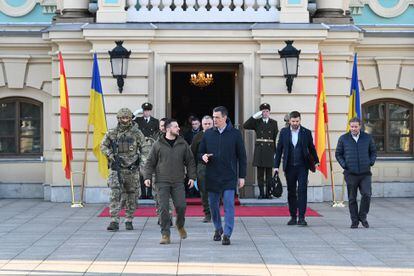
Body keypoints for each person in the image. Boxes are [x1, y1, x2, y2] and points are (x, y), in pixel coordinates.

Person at [199, 106, 247, 246]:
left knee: (229, 205)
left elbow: (242, 156)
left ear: (225, 118)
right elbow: (199, 153)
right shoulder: (208, 134)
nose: (214, 120)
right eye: (213, 117)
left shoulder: (235, 134)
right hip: (212, 176)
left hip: (229, 176)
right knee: (213, 205)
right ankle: (218, 228)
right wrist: (203, 156)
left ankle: (227, 233)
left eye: (217, 117)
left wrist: (242, 176)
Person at [144, 119, 196, 244]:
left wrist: (192, 177)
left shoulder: (182, 144)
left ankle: (180, 225)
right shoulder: (158, 144)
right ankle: (165, 234)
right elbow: (150, 162)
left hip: (178, 181)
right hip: (162, 181)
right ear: (168, 129)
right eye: (175, 126)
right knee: (164, 208)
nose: (178, 128)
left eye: (178, 126)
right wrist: (147, 177)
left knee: (181, 206)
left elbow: (190, 162)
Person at [101, 108, 146, 231]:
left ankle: (129, 219)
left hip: (132, 170)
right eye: (122, 118)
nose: (125, 120)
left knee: (132, 195)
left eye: (127, 118)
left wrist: (142, 163)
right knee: (115, 194)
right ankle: (114, 220)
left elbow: (145, 149)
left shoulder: (137, 133)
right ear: (119, 119)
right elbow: (103, 146)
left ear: (130, 119)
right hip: (117, 169)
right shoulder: (112, 133)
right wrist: (110, 155)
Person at [274, 111, 319, 226]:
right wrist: (275, 166)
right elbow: (279, 150)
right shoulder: (283, 132)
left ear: (300, 120)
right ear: (289, 121)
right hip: (289, 167)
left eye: (297, 121)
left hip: (302, 166)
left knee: (302, 191)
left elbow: (312, 148)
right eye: (293, 121)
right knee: (291, 192)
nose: (295, 123)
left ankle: (302, 218)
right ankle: (293, 216)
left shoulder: (306, 132)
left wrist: (316, 161)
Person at [335, 117, 377, 229]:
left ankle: (363, 217)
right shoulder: (343, 139)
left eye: (356, 126)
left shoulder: (367, 138)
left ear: (360, 126)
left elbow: (373, 152)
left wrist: (371, 162)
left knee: (367, 194)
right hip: (350, 173)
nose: (353, 128)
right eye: (352, 126)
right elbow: (338, 154)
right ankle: (354, 220)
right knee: (352, 198)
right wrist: (344, 165)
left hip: (365, 173)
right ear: (350, 126)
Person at [243, 103, 278, 199]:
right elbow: (245, 125)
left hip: (270, 150)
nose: (265, 113)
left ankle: (268, 193)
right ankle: (261, 193)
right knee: (260, 175)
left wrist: (275, 153)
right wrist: (255, 116)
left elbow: (275, 138)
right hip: (260, 150)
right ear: (260, 112)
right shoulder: (257, 122)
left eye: (267, 111)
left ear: (269, 112)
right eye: (263, 111)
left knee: (269, 175)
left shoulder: (274, 123)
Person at [190, 115, 214, 223]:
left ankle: (215, 212)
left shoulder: (218, 135)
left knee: (216, 191)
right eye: (205, 124)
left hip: (216, 167)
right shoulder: (197, 137)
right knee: (204, 192)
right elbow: (193, 154)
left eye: (209, 124)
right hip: (202, 167)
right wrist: (193, 173)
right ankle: (207, 214)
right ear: (202, 124)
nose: (207, 126)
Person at [134, 102, 159, 199]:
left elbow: (157, 134)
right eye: (144, 111)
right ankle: (143, 193)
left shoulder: (155, 121)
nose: (146, 112)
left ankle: (150, 193)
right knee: (141, 172)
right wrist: (135, 113)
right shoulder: (138, 120)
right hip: (141, 149)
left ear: (150, 111)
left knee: (150, 171)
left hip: (151, 149)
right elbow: (130, 122)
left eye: (148, 111)